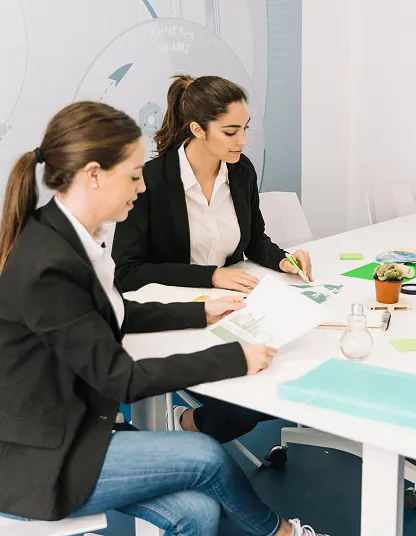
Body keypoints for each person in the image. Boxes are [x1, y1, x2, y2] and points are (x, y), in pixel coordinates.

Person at [0, 101, 326, 536]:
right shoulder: (50, 264)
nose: (142, 187)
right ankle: (283, 533)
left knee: (197, 514)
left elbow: (108, 312)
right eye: (133, 177)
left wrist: (198, 311)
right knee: (204, 456)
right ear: (93, 175)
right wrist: (233, 358)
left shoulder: (70, 236)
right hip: (25, 463)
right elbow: (122, 380)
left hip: (72, 428)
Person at [112, 74, 309, 441]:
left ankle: (191, 425)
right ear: (198, 130)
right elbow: (127, 272)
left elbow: (255, 240)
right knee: (243, 406)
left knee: (290, 373)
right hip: (178, 317)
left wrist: (282, 259)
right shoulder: (151, 181)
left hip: (234, 310)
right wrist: (211, 276)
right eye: (231, 131)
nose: (244, 141)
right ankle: (189, 425)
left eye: (245, 128)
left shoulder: (241, 170)